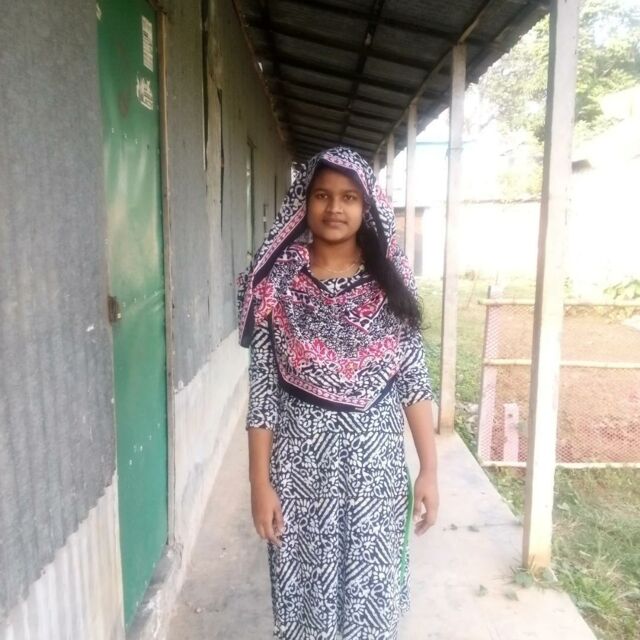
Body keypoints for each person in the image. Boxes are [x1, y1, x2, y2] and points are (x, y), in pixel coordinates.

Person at [236, 146, 438, 639]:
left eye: (349, 197)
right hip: (299, 478)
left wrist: (430, 470)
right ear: (303, 203)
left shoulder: (391, 283)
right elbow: (263, 395)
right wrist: (259, 485)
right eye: (322, 195)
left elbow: (413, 381)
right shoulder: (276, 286)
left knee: (371, 606)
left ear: (367, 206)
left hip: (376, 476)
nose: (334, 208)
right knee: (307, 607)